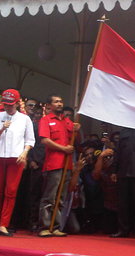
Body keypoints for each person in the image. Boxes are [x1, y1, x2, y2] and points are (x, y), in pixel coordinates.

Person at [0, 89, 35, 236]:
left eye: (11, 105)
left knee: (11, 191)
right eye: (6, 104)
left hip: (16, 157)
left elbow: (30, 140)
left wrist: (25, 152)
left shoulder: (25, 119)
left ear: (17, 104)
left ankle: (4, 224)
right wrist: (2, 128)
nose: (8, 107)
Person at [37, 94, 80, 237]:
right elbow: (45, 141)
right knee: (50, 196)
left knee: (61, 197)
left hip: (67, 164)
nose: (60, 104)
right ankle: (45, 226)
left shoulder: (67, 121)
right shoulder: (46, 120)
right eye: (56, 102)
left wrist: (76, 128)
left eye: (61, 101)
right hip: (54, 163)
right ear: (49, 106)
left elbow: (75, 138)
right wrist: (63, 149)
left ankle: (55, 226)